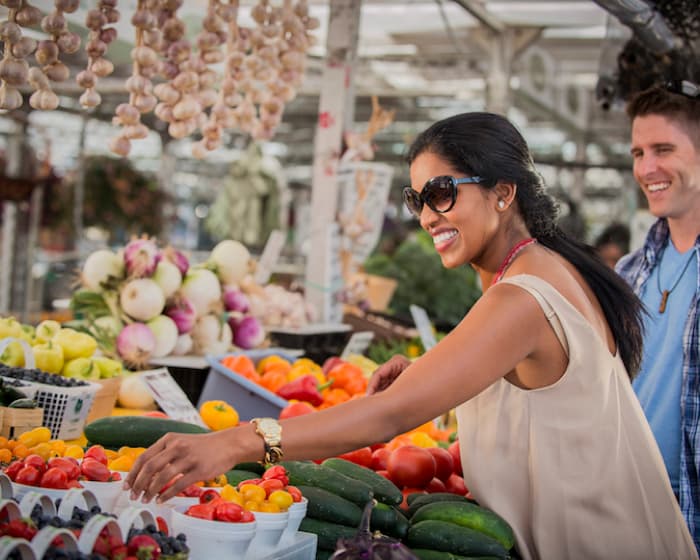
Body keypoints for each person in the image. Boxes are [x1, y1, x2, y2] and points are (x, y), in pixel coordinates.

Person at [126, 112, 695, 559]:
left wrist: (236, 442)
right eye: (417, 199)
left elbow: (386, 418)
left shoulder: (521, 295)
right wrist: (431, 368)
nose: (427, 216)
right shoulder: (539, 267)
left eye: (442, 192)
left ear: (503, 192)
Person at [615, 81, 700, 551]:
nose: (647, 168)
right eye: (637, 152)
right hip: (629, 502)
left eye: (663, 149)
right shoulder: (628, 272)